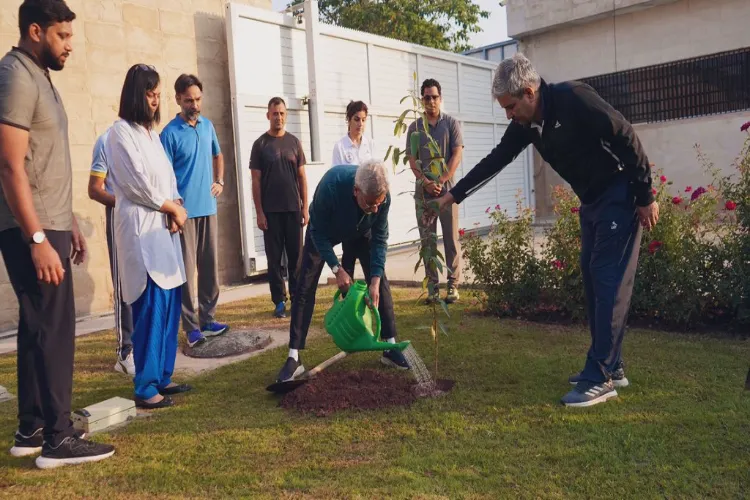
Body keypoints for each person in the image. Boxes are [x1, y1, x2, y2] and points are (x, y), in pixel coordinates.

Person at [433, 53, 659, 407]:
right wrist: (453, 194)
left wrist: (645, 195)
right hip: (592, 201)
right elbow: (497, 158)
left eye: (510, 107)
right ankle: (612, 366)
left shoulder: (574, 99)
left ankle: (599, 376)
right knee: (591, 275)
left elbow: (625, 134)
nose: (508, 115)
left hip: (621, 193)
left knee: (607, 279)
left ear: (529, 92)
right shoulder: (527, 125)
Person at [0, 0, 114, 468]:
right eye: (61, 36)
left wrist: (65, 224)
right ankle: (59, 440)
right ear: (34, 31)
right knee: (54, 330)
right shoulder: (16, 77)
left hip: (50, 222)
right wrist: (39, 239)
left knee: (36, 328)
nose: (70, 45)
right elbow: (9, 165)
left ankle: (32, 428)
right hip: (33, 229)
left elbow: (41, 163)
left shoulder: (37, 75)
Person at [106, 63, 193, 410]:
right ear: (135, 94)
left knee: (170, 305)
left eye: (158, 94)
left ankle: (162, 376)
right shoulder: (120, 134)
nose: (156, 101)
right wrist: (171, 209)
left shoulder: (152, 137)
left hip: (165, 231)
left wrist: (177, 207)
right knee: (150, 308)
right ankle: (145, 386)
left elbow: (169, 179)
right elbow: (136, 185)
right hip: (141, 232)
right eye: (150, 93)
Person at [275, 160, 409, 383]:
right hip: (324, 233)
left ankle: (390, 345)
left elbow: (380, 238)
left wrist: (374, 279)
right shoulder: (331, 185)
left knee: (380, 281)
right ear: (356, 191)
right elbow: (316, 232)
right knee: (304, 287)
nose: (376, 208)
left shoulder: (381, 198)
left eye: (379, 203)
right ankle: (294, 357)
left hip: (361, 231)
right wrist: (336, 268)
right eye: (370, 204)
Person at [161, 74, 228, 348]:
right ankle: (190, 328)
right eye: (189, 100)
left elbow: (218, 154)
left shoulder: (208, 126)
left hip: (208, 209)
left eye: (198, 99)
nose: (195, 105)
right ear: (178, 99)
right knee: (187, 273)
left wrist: (219, 180)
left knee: (210, 269)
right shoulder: (169, 133)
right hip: (184, 215)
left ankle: (208, 320)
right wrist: (173, 209)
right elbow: (163, 175)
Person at [405, 78, 463, 305]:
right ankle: (432, 288)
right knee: (427, 241)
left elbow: (456, 154)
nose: (431, 101)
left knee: (450, 239)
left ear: (441, 98)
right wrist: (426, 182)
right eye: (427, 97)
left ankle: (453, 286)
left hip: (448, 193)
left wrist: (442, 179)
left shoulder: (451, 124)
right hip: (424, 195)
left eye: (435, 97)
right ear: (422, 100)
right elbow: (412, 159)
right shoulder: (415, 128)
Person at [250, 97, 308, 318]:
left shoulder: (294, 142)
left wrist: (305, 208)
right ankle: (279, 302)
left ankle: (296, 297)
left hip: (293, 209)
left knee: (296, 258)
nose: (279, 117)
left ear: (286, 115)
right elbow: (255, 180)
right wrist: (259, 212)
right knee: (274, 260)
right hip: (270, 212)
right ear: (268, 115)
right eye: (275, 113)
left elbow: (302, 177)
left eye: (282, 113)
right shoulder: (260, 145)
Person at [88, 127, 136, 375]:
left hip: (147, 222)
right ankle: (125, 352)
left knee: (144, 285)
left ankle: (145, 347)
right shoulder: (106, 140)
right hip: (120, 221)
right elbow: (95, 189)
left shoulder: (147, 139)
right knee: (124, 286)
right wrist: (127, 203)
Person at [332, 100, 374, 282]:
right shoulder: (340, 146)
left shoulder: (370, 144)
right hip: (349, 209)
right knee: (348, 258)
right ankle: (346, 302)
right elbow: (338, 178)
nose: (360, 124)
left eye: (364, 120)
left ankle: (374, 300)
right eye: (357, 119)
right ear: (348, 120)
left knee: (369, 260)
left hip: (367, 210)